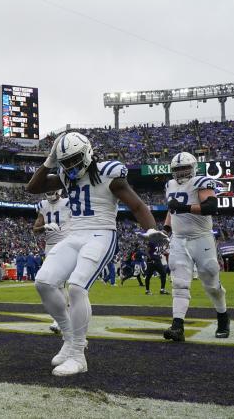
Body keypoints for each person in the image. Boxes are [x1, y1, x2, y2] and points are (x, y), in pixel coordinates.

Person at [26, 132, 166, 376]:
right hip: (75, 235)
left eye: (74, 160)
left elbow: (137, 205)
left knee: (78, 287)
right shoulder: (64, 174)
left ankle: (79, 356)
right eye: (65, 161)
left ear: (88, 153)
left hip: (102, 233)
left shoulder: (108, 173)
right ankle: (69, 339)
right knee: (44, 282)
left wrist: (151, 229)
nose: (70, 166)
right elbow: (33, 187)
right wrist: (50, 160)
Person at [163, 152, 229, 342]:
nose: (181, 172)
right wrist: (166, 229)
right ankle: (177, 326)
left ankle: (223, 317)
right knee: (179, 282)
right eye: (177, 169)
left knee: (211, 283)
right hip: (179, 239)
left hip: (201, 238)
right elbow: (171, 210)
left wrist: (183, 208)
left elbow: (211, 206)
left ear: (193, 168)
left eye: (184, 168)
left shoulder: (201, 181)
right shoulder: (169, 185)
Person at [33, 189, 71, 334]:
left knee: (63, 283)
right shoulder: (43, 205)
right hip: (50, 247)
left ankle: (61, 319)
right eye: (46, 189)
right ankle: (61, 317)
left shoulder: (68, 203)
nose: (49, 192)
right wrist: (45, 226)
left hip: (65, 244)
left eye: (51, 189)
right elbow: (35, 229)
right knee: (53, 283)